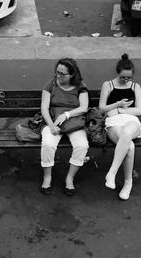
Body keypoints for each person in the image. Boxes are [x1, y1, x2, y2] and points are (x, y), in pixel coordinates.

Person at [40, 58, 89, 196]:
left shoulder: (80, 86)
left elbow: (84, 107)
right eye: (57, 72)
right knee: (48, 144)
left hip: (74, 123)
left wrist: (67, 114)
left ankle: (70, 178)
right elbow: (44, 107)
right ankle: (47, 176)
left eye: (63, 74)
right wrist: (51, 125)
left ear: (71, 75)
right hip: (53, 120)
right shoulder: (51, 84)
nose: (58, 76)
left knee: (82, 146)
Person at [98, 53, 141, 200]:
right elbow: (102, 108)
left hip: (131, 121)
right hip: (113, 122)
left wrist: (119, 110)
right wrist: (118, 105)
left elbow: (138, 110)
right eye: (123, 77)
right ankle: (127, 182)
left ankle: (112, 172)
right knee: (129, 147)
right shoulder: (108, 85)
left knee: (127, 131)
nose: (126, 80)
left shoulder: (135, 86)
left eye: (129, 77)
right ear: (118, 73)